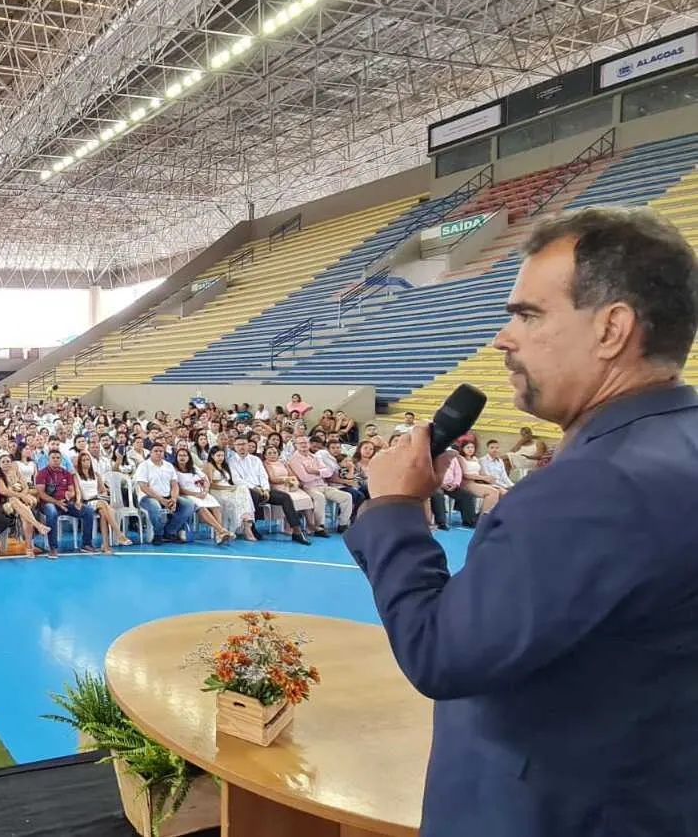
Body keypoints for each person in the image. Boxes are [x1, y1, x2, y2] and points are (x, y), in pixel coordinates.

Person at [345, 207, 698, 836]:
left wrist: (395, 509)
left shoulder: (596, 487)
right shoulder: (677, 444)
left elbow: (440, 653)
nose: (503, 339)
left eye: (528, 315)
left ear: (612, 329)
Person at [227, 435, 309, 544]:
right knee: (254, 495)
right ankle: (252, 527)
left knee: (285, 497)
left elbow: (263, 475)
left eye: (244, 444)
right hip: (246, 489)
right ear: (234, 446)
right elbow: (236, 479)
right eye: (239, 445)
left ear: (248, 445)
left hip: (262, 488)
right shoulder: (231, 461)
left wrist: (265, 488)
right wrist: (255, 488)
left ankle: (297, 531)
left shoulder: (255, 459)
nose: (241, 447)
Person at [133, 444, 195, 544]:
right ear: (150, 453)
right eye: (156, 451)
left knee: (188, 504)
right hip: (148, 497)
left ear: (164, 453)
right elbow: (143, 487)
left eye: (161, 451)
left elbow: (174, 485)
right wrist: (161, 500)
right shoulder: (144, 466)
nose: (158, 453)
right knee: (156, 507)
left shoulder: (169, 466)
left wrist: (174, 499)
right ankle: (158, 534)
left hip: (167, 496)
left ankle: (170, 532)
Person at [34, 449, 92, 556]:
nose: (56, 460)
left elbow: (72, 491)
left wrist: (71, 495)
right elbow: (41, 494)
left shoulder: (66, 473)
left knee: (88, 511)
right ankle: (53, 548)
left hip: (65, 503)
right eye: (53, 458)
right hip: (48, 503)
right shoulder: (42, 473)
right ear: (48, 460)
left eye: (58, 458)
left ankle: (86, 544)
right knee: (51, 512)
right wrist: (57, 502)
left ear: (61, 460)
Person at [172, 447, 233, 544]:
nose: (182, 457)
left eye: (185, 455)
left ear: (189, 457)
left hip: (201, 493)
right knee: (201, 507)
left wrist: (205, 491)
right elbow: (179, 488)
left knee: (216, 507)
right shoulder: (173, 469)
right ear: (176, 457)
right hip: (186, 495)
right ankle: (221, 530)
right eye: (180, 455)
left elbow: (205, 480)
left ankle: (218, 535)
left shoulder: (194, 468)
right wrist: (196, 494)